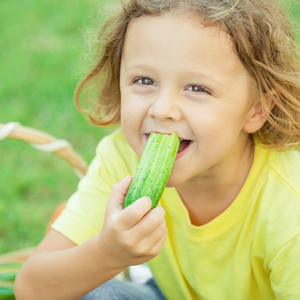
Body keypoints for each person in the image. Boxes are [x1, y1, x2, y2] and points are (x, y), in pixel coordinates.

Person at [14, 0, 300, 299]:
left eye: (197, 88)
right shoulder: (123, 157)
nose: (163, 110)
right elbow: (31, 289)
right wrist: (107, 254)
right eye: (144, 80)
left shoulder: (289, 209)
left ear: (257, 109)